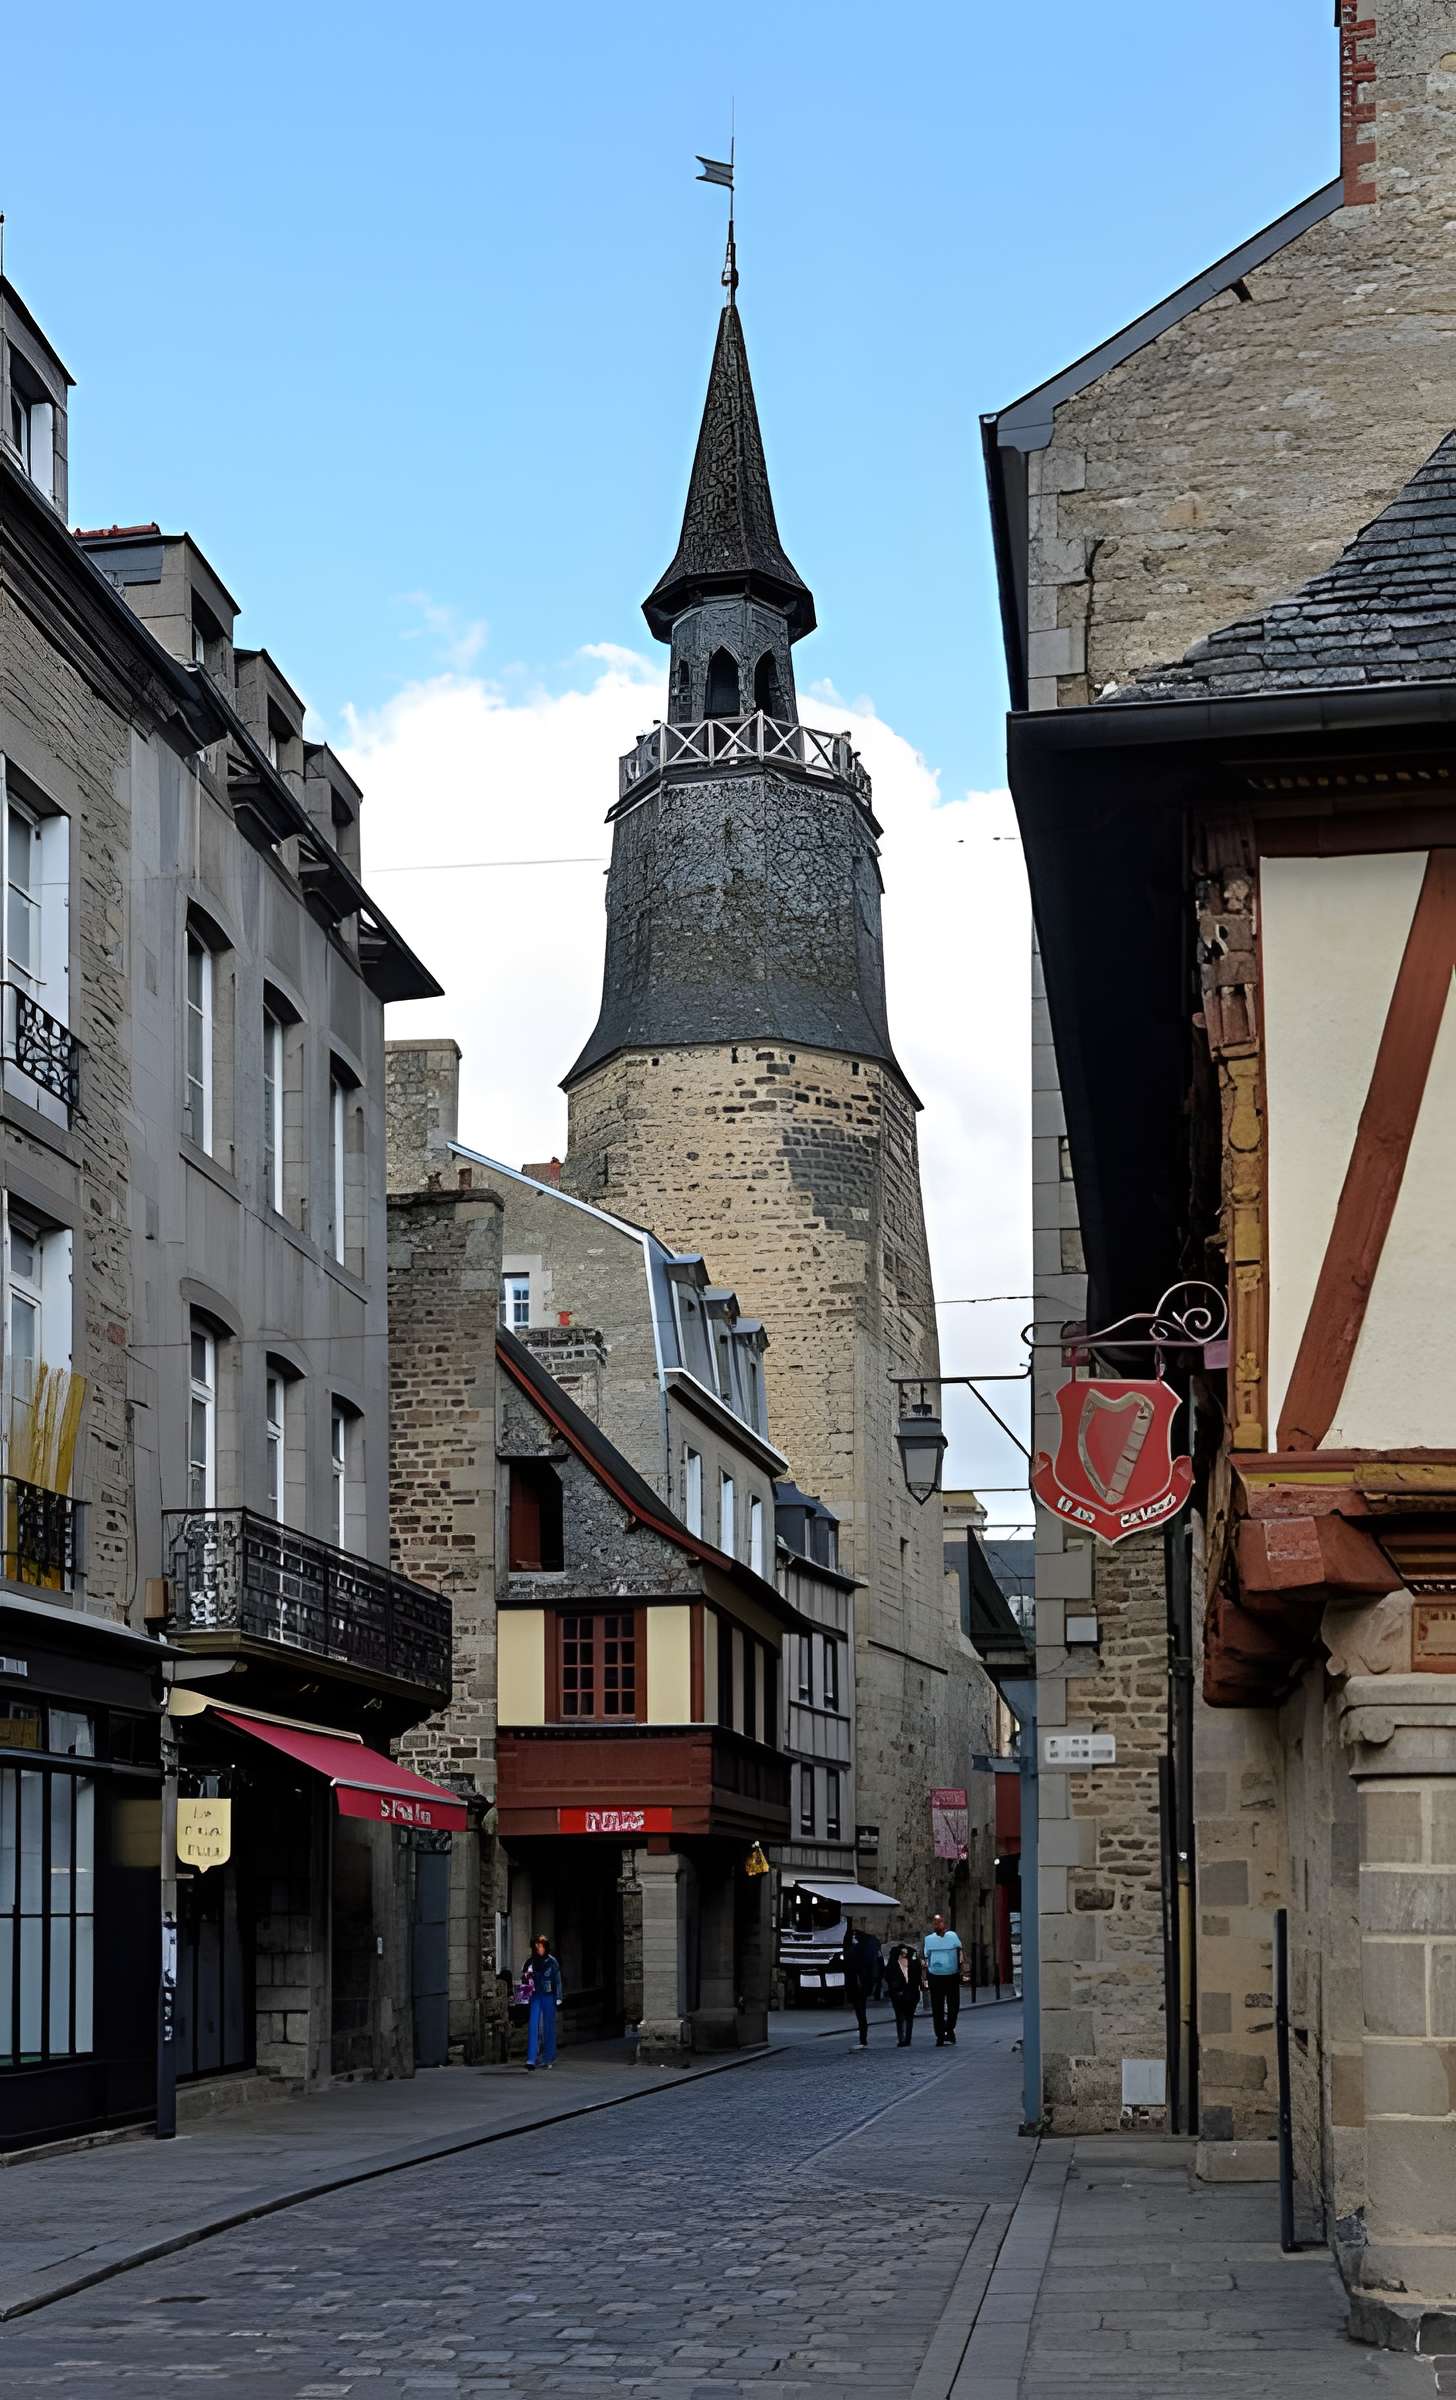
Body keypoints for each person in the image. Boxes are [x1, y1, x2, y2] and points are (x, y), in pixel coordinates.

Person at [923, 1911, 964, 2046]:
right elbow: (926, 1956)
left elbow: (960, 1952)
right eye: (935, 1922)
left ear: (945, 1923)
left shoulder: (952, 1936)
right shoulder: (929, 1939)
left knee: (953, 2007)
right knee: (937, 2007)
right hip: (935, 1976)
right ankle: (940, 2035)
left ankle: (948, 2028)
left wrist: (963, 1967)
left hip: (952, 1975)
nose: (938, 1924)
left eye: (940, 1921)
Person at [524, 1933, 563, 2069]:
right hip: (535, 1995)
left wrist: (558, 1996)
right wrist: (524, 1994)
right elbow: (525, 1981)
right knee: (534, 2025)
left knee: (548, 2026)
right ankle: (531, 2058)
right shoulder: (530, 1962)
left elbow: (557, 1980)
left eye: (540, 1946)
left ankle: (548, 2057)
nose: (538, 1949)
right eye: (536, 1946)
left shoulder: (552, 1962)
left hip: (549, 1995)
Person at [843, 1917, 881, 2049]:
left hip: (859, 1984)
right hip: (862, 1983)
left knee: (861, 2012)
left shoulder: (859, 1949)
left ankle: (863, 2038)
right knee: (861, 2012)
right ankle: (863, 2037)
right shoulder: (869, 1946)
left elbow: (852, 1962)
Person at [884, 1943, 923, 2046]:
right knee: (900, 2017)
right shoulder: (894, 1964)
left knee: (908, 2017)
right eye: (902, 1953)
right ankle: (902, 2039)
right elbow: (888, 1977)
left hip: (911, 1993)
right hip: (899, 1994)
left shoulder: (913, 1963)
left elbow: (918, 1976)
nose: (904, 1955)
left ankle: (906, 2039)